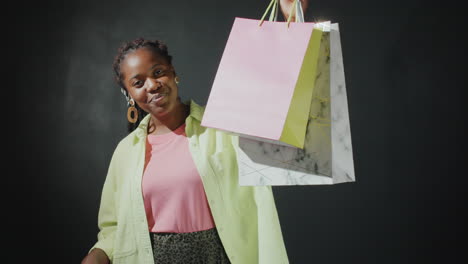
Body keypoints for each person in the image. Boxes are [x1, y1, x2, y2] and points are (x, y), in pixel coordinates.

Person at [81, 1, 309, 264]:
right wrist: (97, 255)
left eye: (158, 73)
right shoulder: (126, 152)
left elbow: (278, 103)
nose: (152, 85)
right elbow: (113, 229)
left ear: (173, 73)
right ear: (129, 95)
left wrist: (292, 22)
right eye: (138, 82)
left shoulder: (224, 126)